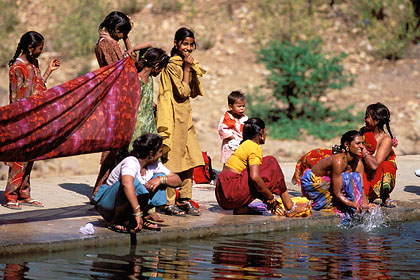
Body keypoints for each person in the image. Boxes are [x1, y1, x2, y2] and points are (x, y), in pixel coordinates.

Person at [93, 11, 152, 199]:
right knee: (114, 147)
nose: (123, 37)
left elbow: (129, 61)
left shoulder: (112, 42)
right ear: (116, 29)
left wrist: (126, 39)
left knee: (120, 146)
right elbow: (121, 68)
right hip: (117, 99)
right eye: (122, 33)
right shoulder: (107, 45)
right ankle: (101, 190)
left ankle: (112, 189)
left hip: (120, 98)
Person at [5, 31, 60, 210]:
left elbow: (38, 87)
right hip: (21, 120)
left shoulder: (34, 64)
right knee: (19, 158)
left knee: (30, 157)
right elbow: (17, 98)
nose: (41, 52)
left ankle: (24, 193)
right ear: (30, 48)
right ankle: (11, 194)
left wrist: (48, 71)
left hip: (35, 118)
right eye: (40, 48)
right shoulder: (17, 68)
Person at [215, 118, 311, 216]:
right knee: (270, 163)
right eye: (265, 132)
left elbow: (252, 183)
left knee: (258, 175)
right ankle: (290, 206)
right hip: (231, 191)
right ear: (261, 132)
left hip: (223, 195)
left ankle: (242, 208)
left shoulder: (245, 145)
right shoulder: (253, 147)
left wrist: (271, 204)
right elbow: (255, 177)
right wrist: (270, 198)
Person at [156, 27, 205, 216]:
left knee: (190, 158)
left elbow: (193, 91)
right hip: (174, 118)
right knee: (173, 160)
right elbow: (183, 92)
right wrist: (186, 68)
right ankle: (168, 202)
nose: (189, 48)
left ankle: (185, 198)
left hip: (186, 119)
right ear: (176, 44)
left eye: (192, 44)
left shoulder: (185, 63)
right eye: (185, 44)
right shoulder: (171, 65)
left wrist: (190, 69)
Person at [93, 134, 182, 233]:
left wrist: (161, 179)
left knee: (162, 177)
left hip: (130, 208)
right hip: (108, 204)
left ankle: (138, 219)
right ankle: (116, 220)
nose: (161, 155)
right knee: (131, 182)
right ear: (151, 153)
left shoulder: (155, 165)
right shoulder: (131, 162)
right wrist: (137, 212)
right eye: (160, 152)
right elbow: (126, 184)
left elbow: (178, 180)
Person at [300, 130, 371, 215]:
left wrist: (366, 205)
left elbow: (362, 190)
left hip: (331, 186)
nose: (362, 146)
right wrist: (356, 206)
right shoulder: (339, 161)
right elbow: (337, 192)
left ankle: (348, 205)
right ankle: (342, 205)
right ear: (347, 145)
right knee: (346, 177)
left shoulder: (359, 164)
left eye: (362, 143)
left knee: (355, 177)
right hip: (314, 185)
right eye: (358, 143)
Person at [129, 48, 170, 151]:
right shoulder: (136, 80)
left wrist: (149, 101)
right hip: (137, 126)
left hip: (149, 124)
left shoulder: (150, 79)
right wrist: (132, 49)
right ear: (156, 66)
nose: (160, 71)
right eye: (161, 68)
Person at [361, 102, 398, 207]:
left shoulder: (386, 140)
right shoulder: (364, 132)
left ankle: (385, 196)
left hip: (376, 174)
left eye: (367, 117)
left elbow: (374, 165)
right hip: (363, 171)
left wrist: (362, 149)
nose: (364, 119)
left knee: (386, 166)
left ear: (376, 121)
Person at [218, 90, 248, 164]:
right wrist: (233, 138)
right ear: (231, 106)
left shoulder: (244, 118)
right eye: (239, 106)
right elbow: (222, 129)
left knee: (241, 162)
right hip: (230, 144)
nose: (242, 108)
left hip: (241, 143)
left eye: (243, 106)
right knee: (228, 161)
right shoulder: (227, 118)